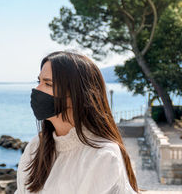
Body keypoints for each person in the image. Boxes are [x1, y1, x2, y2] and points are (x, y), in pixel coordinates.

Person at [15, 50, 141, 194]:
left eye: (48, 84)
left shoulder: (102, 155)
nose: (37, 89)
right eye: (39, 81)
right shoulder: (36, 145)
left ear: (77, 95)